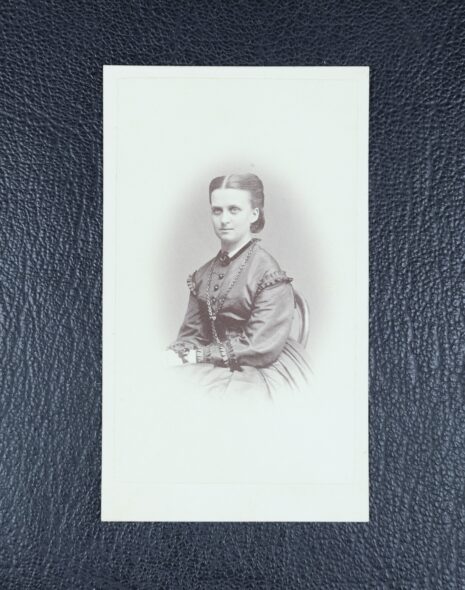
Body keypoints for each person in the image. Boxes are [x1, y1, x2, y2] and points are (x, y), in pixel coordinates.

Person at [166, 173, 311, 397]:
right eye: (217, 210)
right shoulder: (203, 274)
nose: (224, 219)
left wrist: (199, 356)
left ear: (254, 214)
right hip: (215, 363)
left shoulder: (269, 273)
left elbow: (260, 346)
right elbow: (192, 334)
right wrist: (177, 353)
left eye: (234, 210)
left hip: (261, 367)